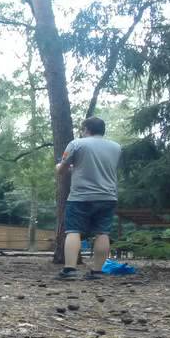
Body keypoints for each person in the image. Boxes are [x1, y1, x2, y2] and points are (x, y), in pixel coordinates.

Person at [56, 116, 121, 280]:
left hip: (80, 196)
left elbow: (61, 170)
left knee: (73, 231)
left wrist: (62, 166)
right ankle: (97, 271)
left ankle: (70, 270)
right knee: (103, 232)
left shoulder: (77, 144)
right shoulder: (116, 147)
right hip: (108, 196)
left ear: (86, 129)